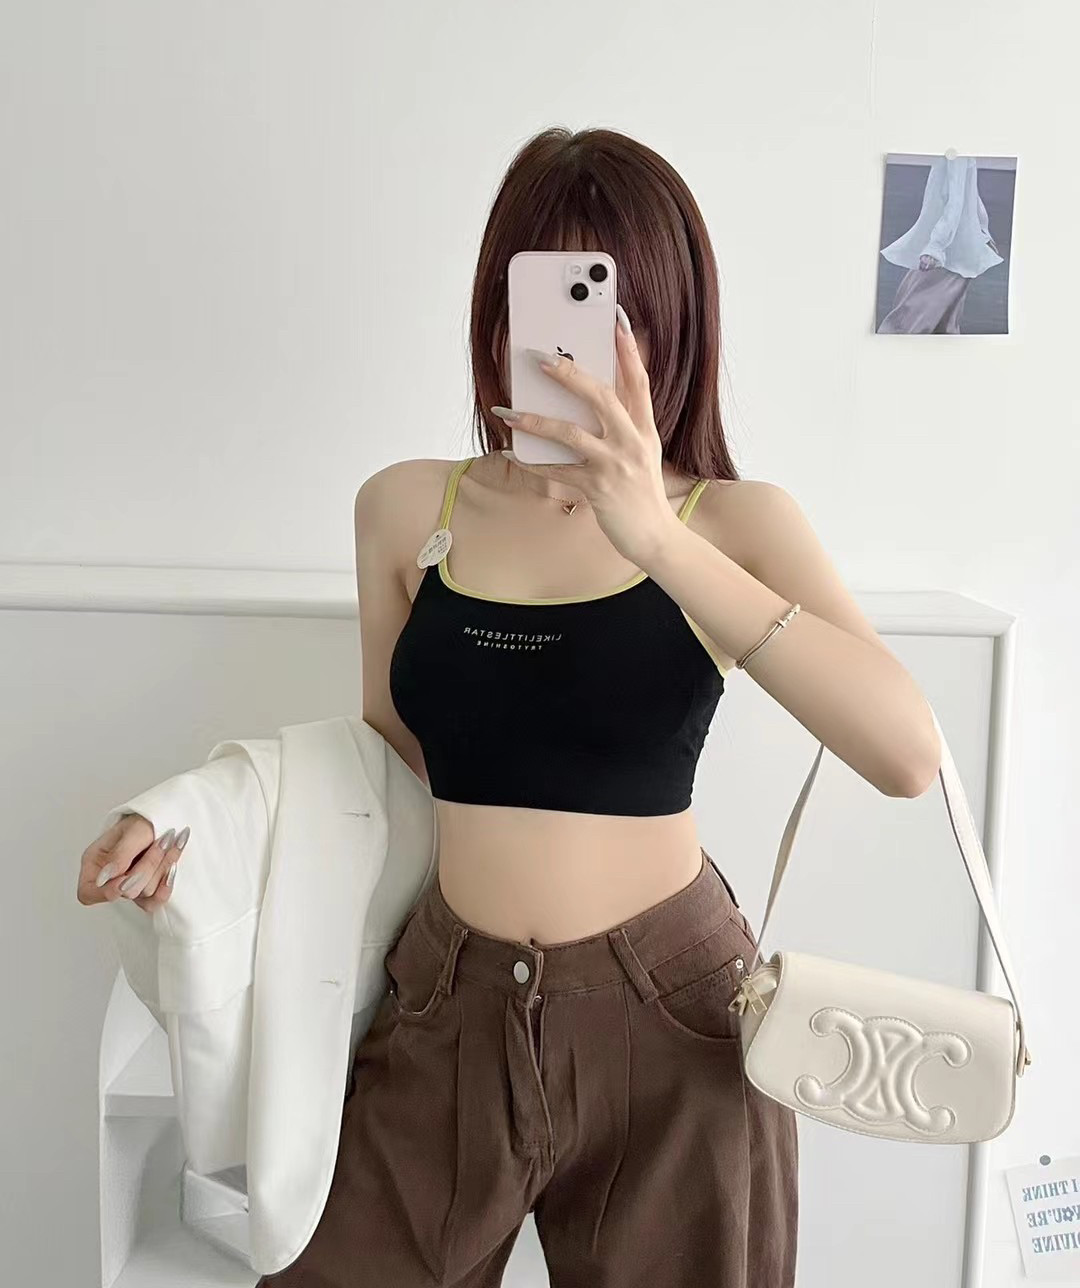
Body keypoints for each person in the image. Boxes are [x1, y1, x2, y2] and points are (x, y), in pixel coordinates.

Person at [78, 126, 941, 1287]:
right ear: (496, 311)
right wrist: (194, 822)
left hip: (674, 1014)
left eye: (610, 303)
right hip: (449, 993)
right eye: (543, 297)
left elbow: (906, 754)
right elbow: (379, 771)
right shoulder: (404, 510)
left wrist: (653, 536)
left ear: (671, 321)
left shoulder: (734, 523)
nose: (574, 342)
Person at [878, 152, 1004, 334]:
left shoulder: (956, 156)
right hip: (956, 252)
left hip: (947, 254)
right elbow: (969, 193)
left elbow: (956, 201)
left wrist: (935, 247)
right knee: (940, 325)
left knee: (909, 322)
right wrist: (983, 230)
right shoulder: (959, 155)